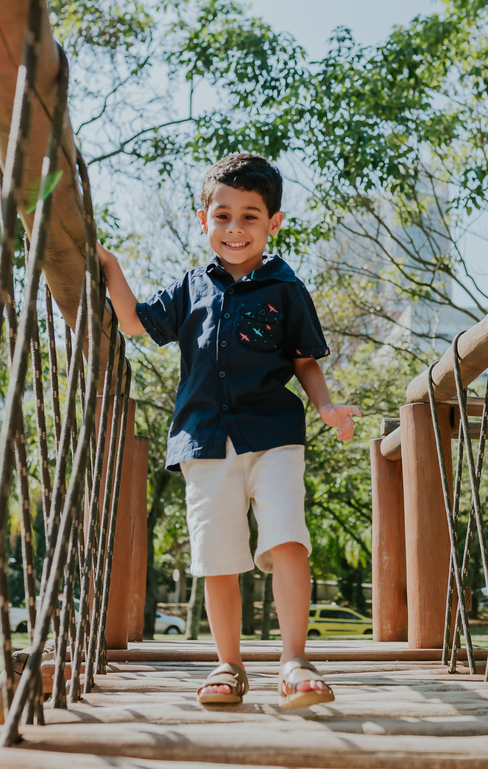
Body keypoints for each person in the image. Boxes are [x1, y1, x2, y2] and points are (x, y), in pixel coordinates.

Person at [95, 153, 361, 708]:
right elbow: (135, 322)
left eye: (249, 217)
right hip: (204, 441)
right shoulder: (191, 287)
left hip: (274, 437)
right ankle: (228, 664)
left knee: (288, 540)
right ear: (204, 220)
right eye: (222, 216)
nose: (234, 229)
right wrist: (110, 265)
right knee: (217, 557)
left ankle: (294, 661)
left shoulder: (285, 287)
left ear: (273, 224)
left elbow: (305, 359)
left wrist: (327, 407)